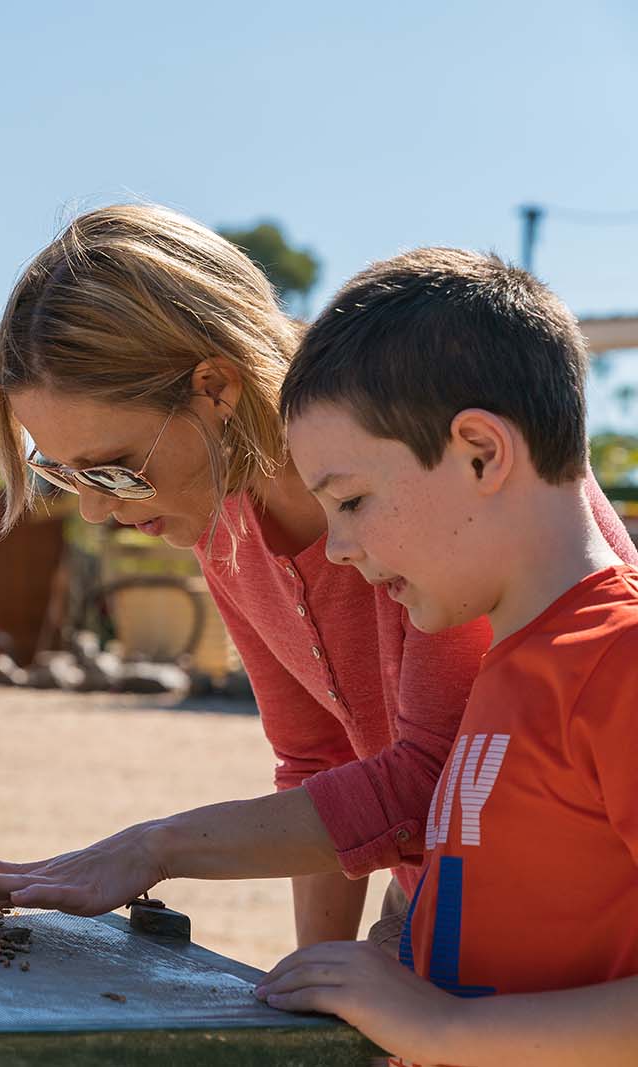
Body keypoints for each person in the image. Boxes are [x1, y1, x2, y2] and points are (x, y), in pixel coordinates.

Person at [0, 204, 636, 947]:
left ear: (215, 387)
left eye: (116, 467)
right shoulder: (222, 519)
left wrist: (154, 846)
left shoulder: (425, 484)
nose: (98, 509)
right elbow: (318, 763)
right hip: (465, 956)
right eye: (65, 474)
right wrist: (317, 985)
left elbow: (429, 779)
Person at [254, 248, 638, 1066]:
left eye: (351, 501)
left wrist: (443, 1028)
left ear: (481, 452)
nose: (342, 548)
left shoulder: (621, 660)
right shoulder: (512, 662)